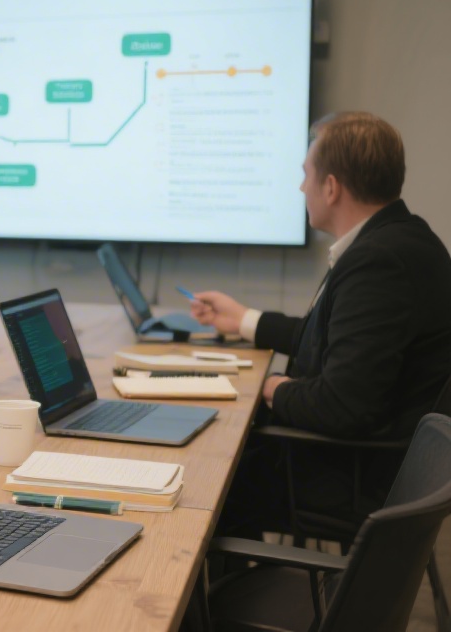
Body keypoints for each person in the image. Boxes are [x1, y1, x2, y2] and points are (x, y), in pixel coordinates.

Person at [191, 111, 451, 536]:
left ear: (331, 187)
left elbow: (341, 405)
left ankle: (230, 598)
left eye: (306, 174)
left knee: (204, 477)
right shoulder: (399, 238)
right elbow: (331, 342)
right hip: (369, 460)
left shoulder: (379, 262)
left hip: (348, 475)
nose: (300, 187)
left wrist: (269, 387)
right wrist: (243, 320)